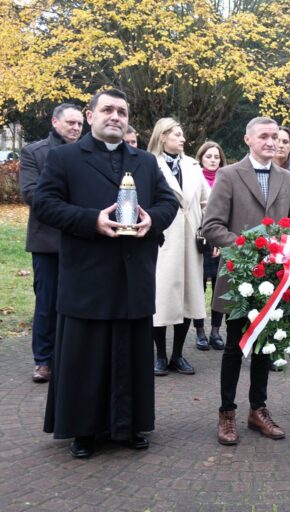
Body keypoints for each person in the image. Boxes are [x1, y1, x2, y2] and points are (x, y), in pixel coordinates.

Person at [33, 88, 178, 458]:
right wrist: (90, 220)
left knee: (131, 353)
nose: (116, 116)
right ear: (90, 115)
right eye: (108, 110)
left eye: (122, 111)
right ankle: (84, 430)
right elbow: (45, 204)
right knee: (86, 356)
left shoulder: (144, 160)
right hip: (88, 274)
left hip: (133, 274)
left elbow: (167, 203)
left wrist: (151, 220)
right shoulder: (65, 158)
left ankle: (127, 426)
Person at [203, 116, 290, 445]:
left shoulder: (288, 178)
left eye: (275, 137)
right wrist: (251, 248)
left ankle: (257, 410)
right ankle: (227, 412)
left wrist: (287, 246)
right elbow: (213, 227)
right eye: (263, 136)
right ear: (247, 140)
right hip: (239, 278)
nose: (271, 142)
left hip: (276, 279)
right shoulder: (229, 175)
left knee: (264, 347)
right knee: (234, 348)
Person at [19, 103, 83, 383]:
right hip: (48, 242)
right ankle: (43, 360)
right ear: (55, 122)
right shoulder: (35, 152)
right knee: (47, 302)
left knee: (80, 301)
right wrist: (76, 208)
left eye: (80, 124)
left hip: (83, 240)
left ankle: (73, 356)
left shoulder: (86, 154)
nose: (76, 128)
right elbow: (32, 194)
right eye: (70, 123)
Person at [148, 118, 209, 376]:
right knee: (162, 298)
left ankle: (178, 355)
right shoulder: (149, 164)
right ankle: (159, 355)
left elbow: (207, 201)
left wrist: (205, 228)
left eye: (182, 135)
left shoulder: (193, 166)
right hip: (164, 240)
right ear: (162, 136)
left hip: (191, 240)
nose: (183, 139)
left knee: (188, 297)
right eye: (177, 134)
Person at [192, 141, 227, 351]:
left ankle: (215, 331)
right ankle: (200, 332)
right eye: (209, 156)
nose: (213, 160)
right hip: (199, 239)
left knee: (218, 287)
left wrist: (220, 241)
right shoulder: (195, 178)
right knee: (198, 286)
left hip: (220, 241)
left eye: (216, 156)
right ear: (201, 158)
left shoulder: (227, 179)